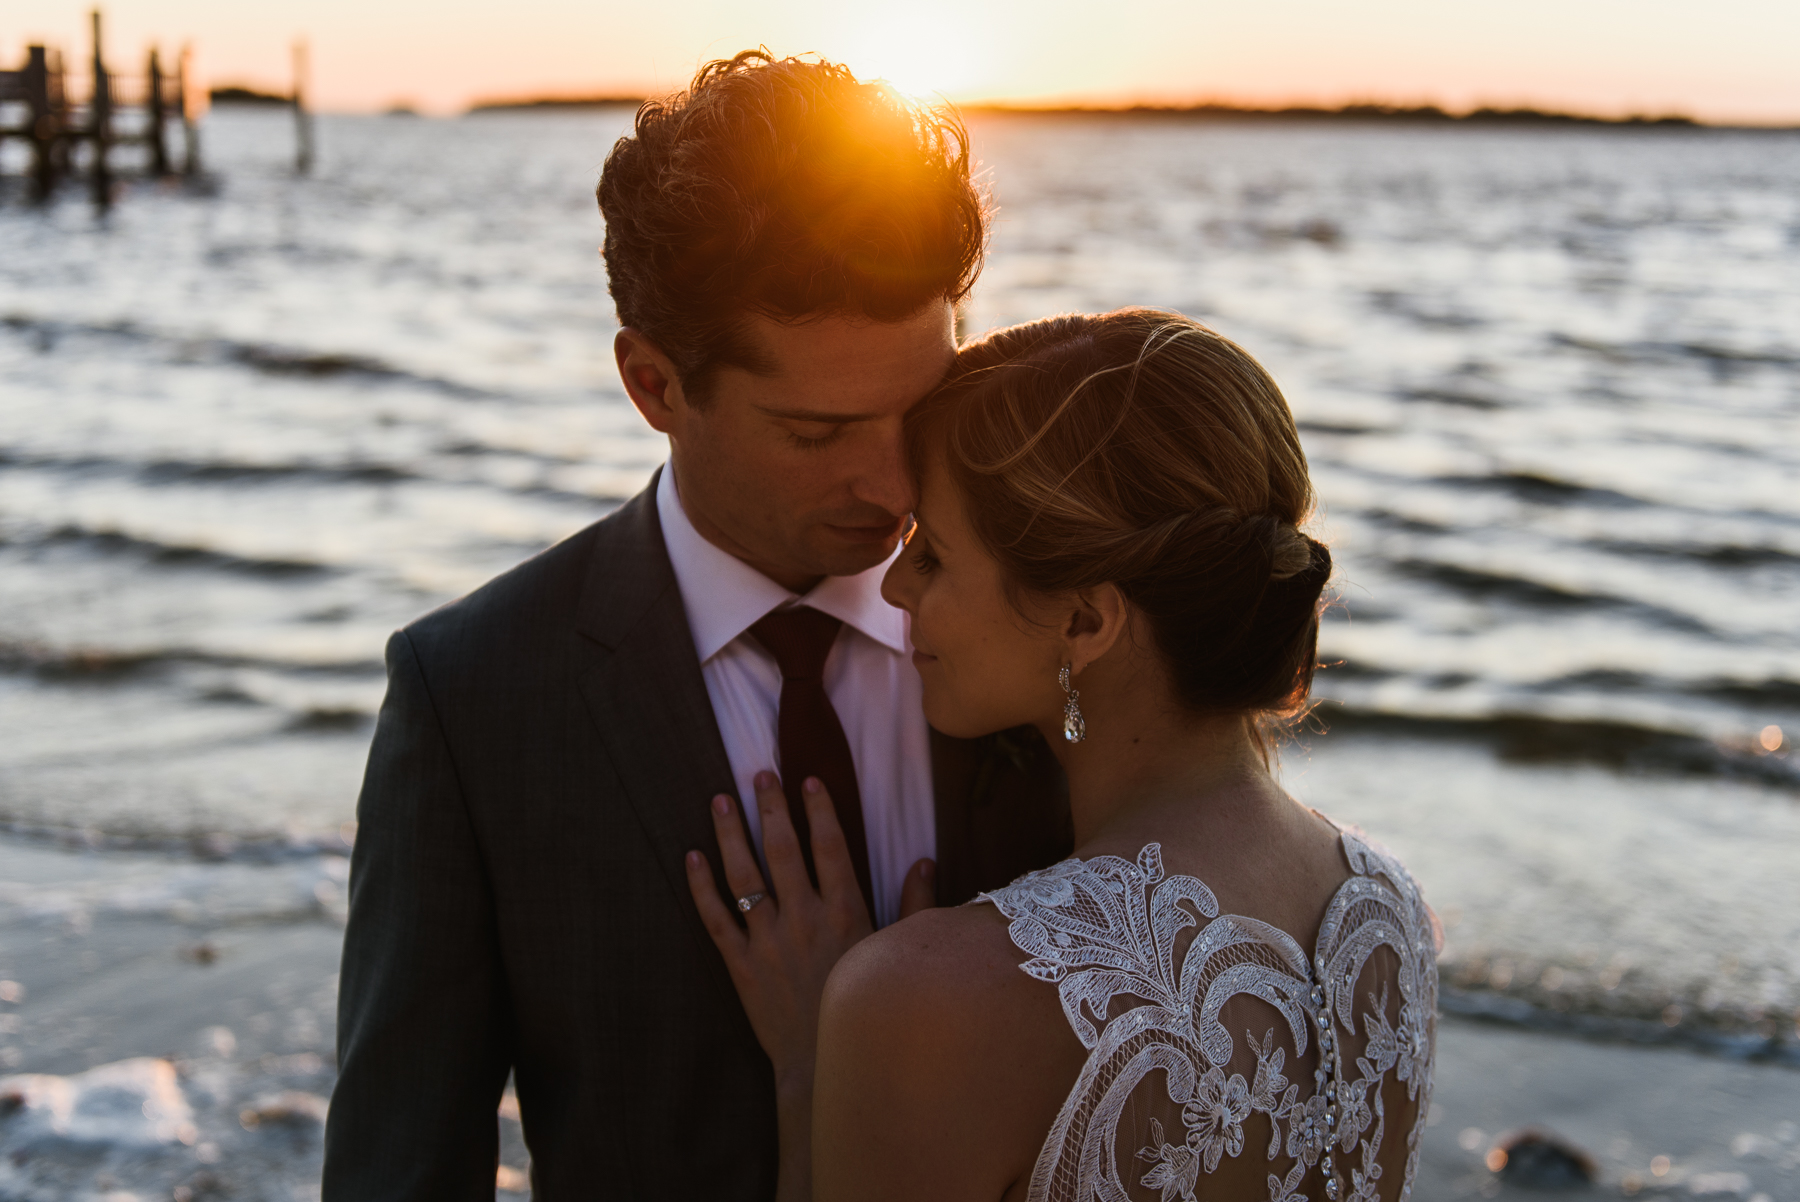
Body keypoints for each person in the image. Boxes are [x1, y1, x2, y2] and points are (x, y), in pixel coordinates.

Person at [321, 52, 1068, 1200]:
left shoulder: (1059, 622)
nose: (894, 482)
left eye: (922, 406)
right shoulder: (475, 698)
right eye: (817, 432)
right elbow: (401, 1167)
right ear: (654, 385)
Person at [688, 308, 1441, 1201]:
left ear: (1085, 620)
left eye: (932, 554)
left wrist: (811, 1070)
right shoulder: (1388, 913)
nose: (891, 583)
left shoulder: (924, 1003)